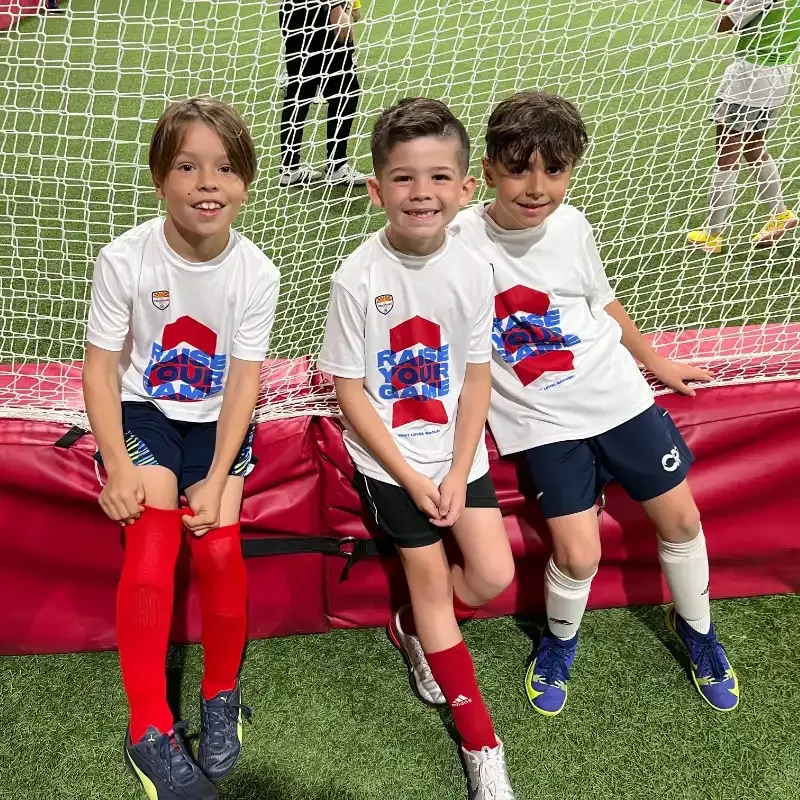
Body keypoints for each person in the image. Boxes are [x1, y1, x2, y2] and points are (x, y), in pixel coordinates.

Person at [451, 90, 740, 719]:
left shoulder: (574, 226)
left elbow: (602, 300)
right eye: (519, 168)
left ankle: (697, 629)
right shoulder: (457, 237)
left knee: (683, 521)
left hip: (616, 396)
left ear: (571, 171)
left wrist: (655, 360)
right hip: (539, 416)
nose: (536, 187)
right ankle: (559, 641)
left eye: (554, 170)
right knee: (578, 554)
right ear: (490, 170)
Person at [318, 97, 516, 799]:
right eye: (403, 179)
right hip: (390, 460)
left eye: (438, 178)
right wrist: (409, 474)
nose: (421, 192)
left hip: (458, 457)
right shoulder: (357, 278)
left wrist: (459, 472)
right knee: (433, 585)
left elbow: (475, 374)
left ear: (466, 190)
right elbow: (348, 390)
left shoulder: (470, 268)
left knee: (492, 576)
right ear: (378, 190)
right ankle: (482, 746)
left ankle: (411, 628)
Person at [82, 97, 280, 799]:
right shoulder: (125, 258)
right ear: (160, 178)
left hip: (218, 420)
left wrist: (220, 473)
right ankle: (148, 730)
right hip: (147, 412)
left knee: (220, 545)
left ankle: (221, 694)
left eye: (225, 168)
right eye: (188, 166)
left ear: (246, 183)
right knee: (154, 545)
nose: (207, 183)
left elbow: (245, 383)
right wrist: (117, 464)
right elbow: (101, 369)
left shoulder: (257, 272)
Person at [688, 0, 799, 253]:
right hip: (779, 76)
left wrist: (730, 6)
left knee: (726, 156)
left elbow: (724, 25)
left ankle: (712, 235)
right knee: (754, 147)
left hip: (748, 77)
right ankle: (781, 215)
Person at [278, 0, 367, 186]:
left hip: (294, 12)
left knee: (301, 89)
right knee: (346, 91)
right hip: (321, 14)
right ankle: (337, 166)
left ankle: (290, 168)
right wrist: (335, 9)